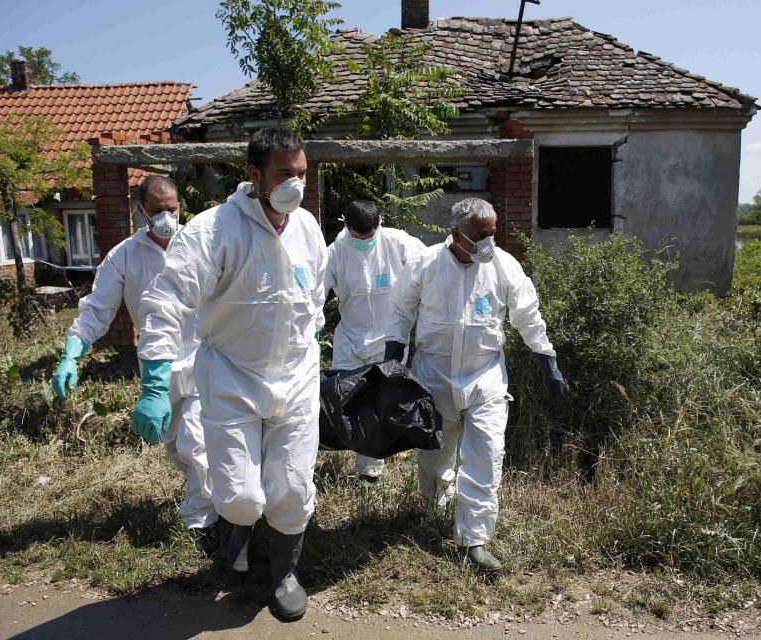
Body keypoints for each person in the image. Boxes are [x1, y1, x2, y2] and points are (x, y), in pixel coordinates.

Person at [133, 127, 325, 622]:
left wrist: (310, 348)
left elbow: (315, 299)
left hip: (297, 378)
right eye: (284, 174)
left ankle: (283, 573)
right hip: (231, 378)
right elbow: (164, 303)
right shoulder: (212, 232)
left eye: (301, 173)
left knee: (293, 490)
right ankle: (240, 526)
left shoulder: (307, 227)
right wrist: (155, 384)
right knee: (240, 497)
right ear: (254, 175)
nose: (295, 185)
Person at [385, 197, 567, 572]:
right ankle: (435, 507)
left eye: (492, 234)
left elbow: (528, 316)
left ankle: (474, 540)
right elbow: (400, 313)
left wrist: (548, 362)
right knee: (436, 453)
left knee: (485, 454)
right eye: (480, 236)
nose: (488, 243)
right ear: (456, 234)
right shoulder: (425, 264)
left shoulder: (503, 266)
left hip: (485, 375)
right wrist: (393, 365)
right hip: (432, 374)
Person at [50, 175, 216, 551]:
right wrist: (71, 355)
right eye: (158, 210)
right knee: (179, 448)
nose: (167, 217)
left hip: (206, 359)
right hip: (159, 369)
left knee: (198, 440)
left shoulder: (200, 245)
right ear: (139, 211)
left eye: (172, 208)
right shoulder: (124, 255)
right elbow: (96, 311)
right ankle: (211, 503)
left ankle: (202, 524)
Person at [324, 200, 425, 484]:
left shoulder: (397, 242)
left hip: (389, 339)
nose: (367, 241)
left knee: (379, 404)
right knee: (342, 400)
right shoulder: (335, 253)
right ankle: (330, 452)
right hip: (350, 338)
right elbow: (314, 295)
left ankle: (369, 475)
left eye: (372, 235)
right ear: (347, 226)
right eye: (361, 237)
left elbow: (426, 266)